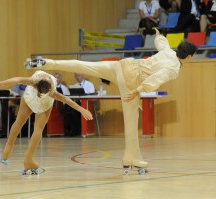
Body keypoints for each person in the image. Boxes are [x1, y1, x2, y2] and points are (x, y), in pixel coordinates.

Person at [29, 28, 198, 174]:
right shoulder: (174, 68)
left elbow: (162, 44)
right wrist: (137, 91)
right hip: (131, 80)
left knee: (84, 65)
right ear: (189, 56)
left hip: (123, 65)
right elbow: (156, 79)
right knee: (131, 122)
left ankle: (48, 63)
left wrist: (158, 35)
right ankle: (131, 158)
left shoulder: (169, 52)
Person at [0, 70, 93, 174]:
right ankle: (28, 159)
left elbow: (18, 79)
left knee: (19, 121)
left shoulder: (34, 81)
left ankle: (8, 149)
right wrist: (81, 109)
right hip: (44, 102)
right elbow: (66, 100)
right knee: (38, 129)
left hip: (30, 98)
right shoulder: (52, 92)